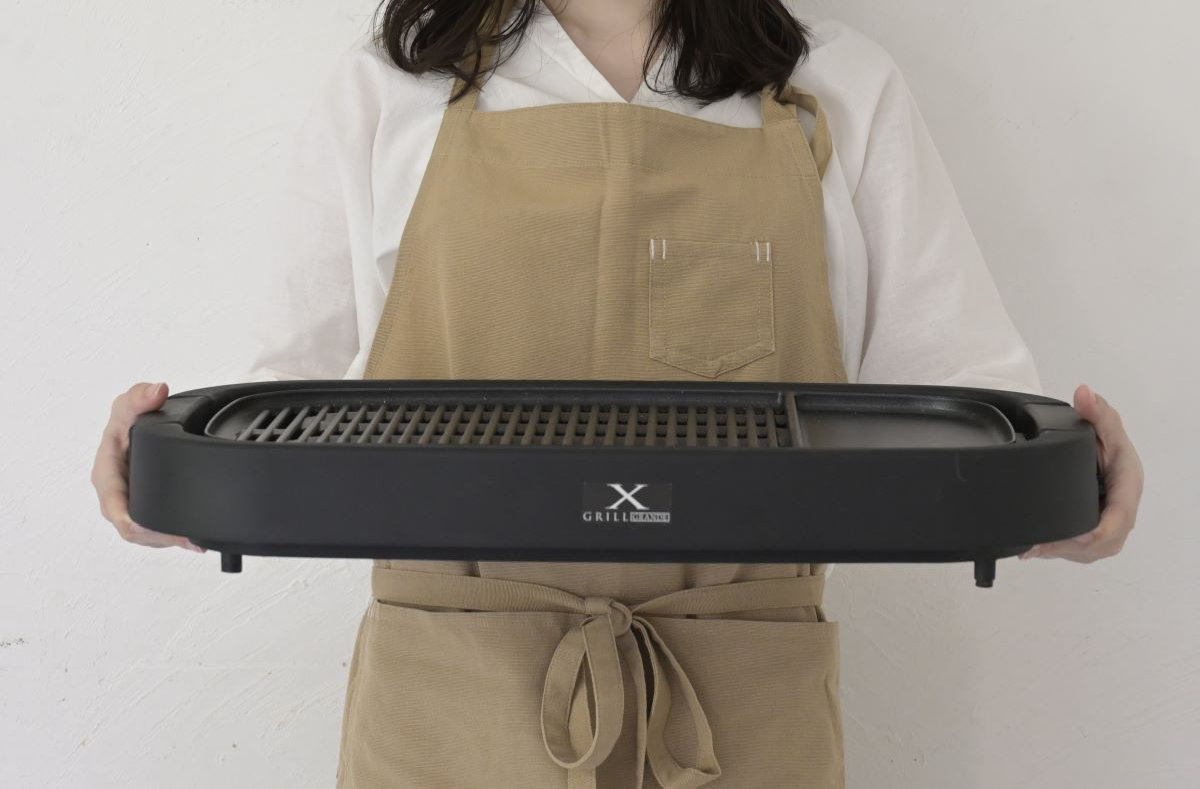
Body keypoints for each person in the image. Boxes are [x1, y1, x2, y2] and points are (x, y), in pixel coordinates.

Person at [91, 0, 1146, 785]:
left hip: (741, 711)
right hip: (446, 705)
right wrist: (165, 473)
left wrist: (1072, 488)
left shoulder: (837, 88)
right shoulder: (388, 88)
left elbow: (968, 409)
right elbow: (281, 408)